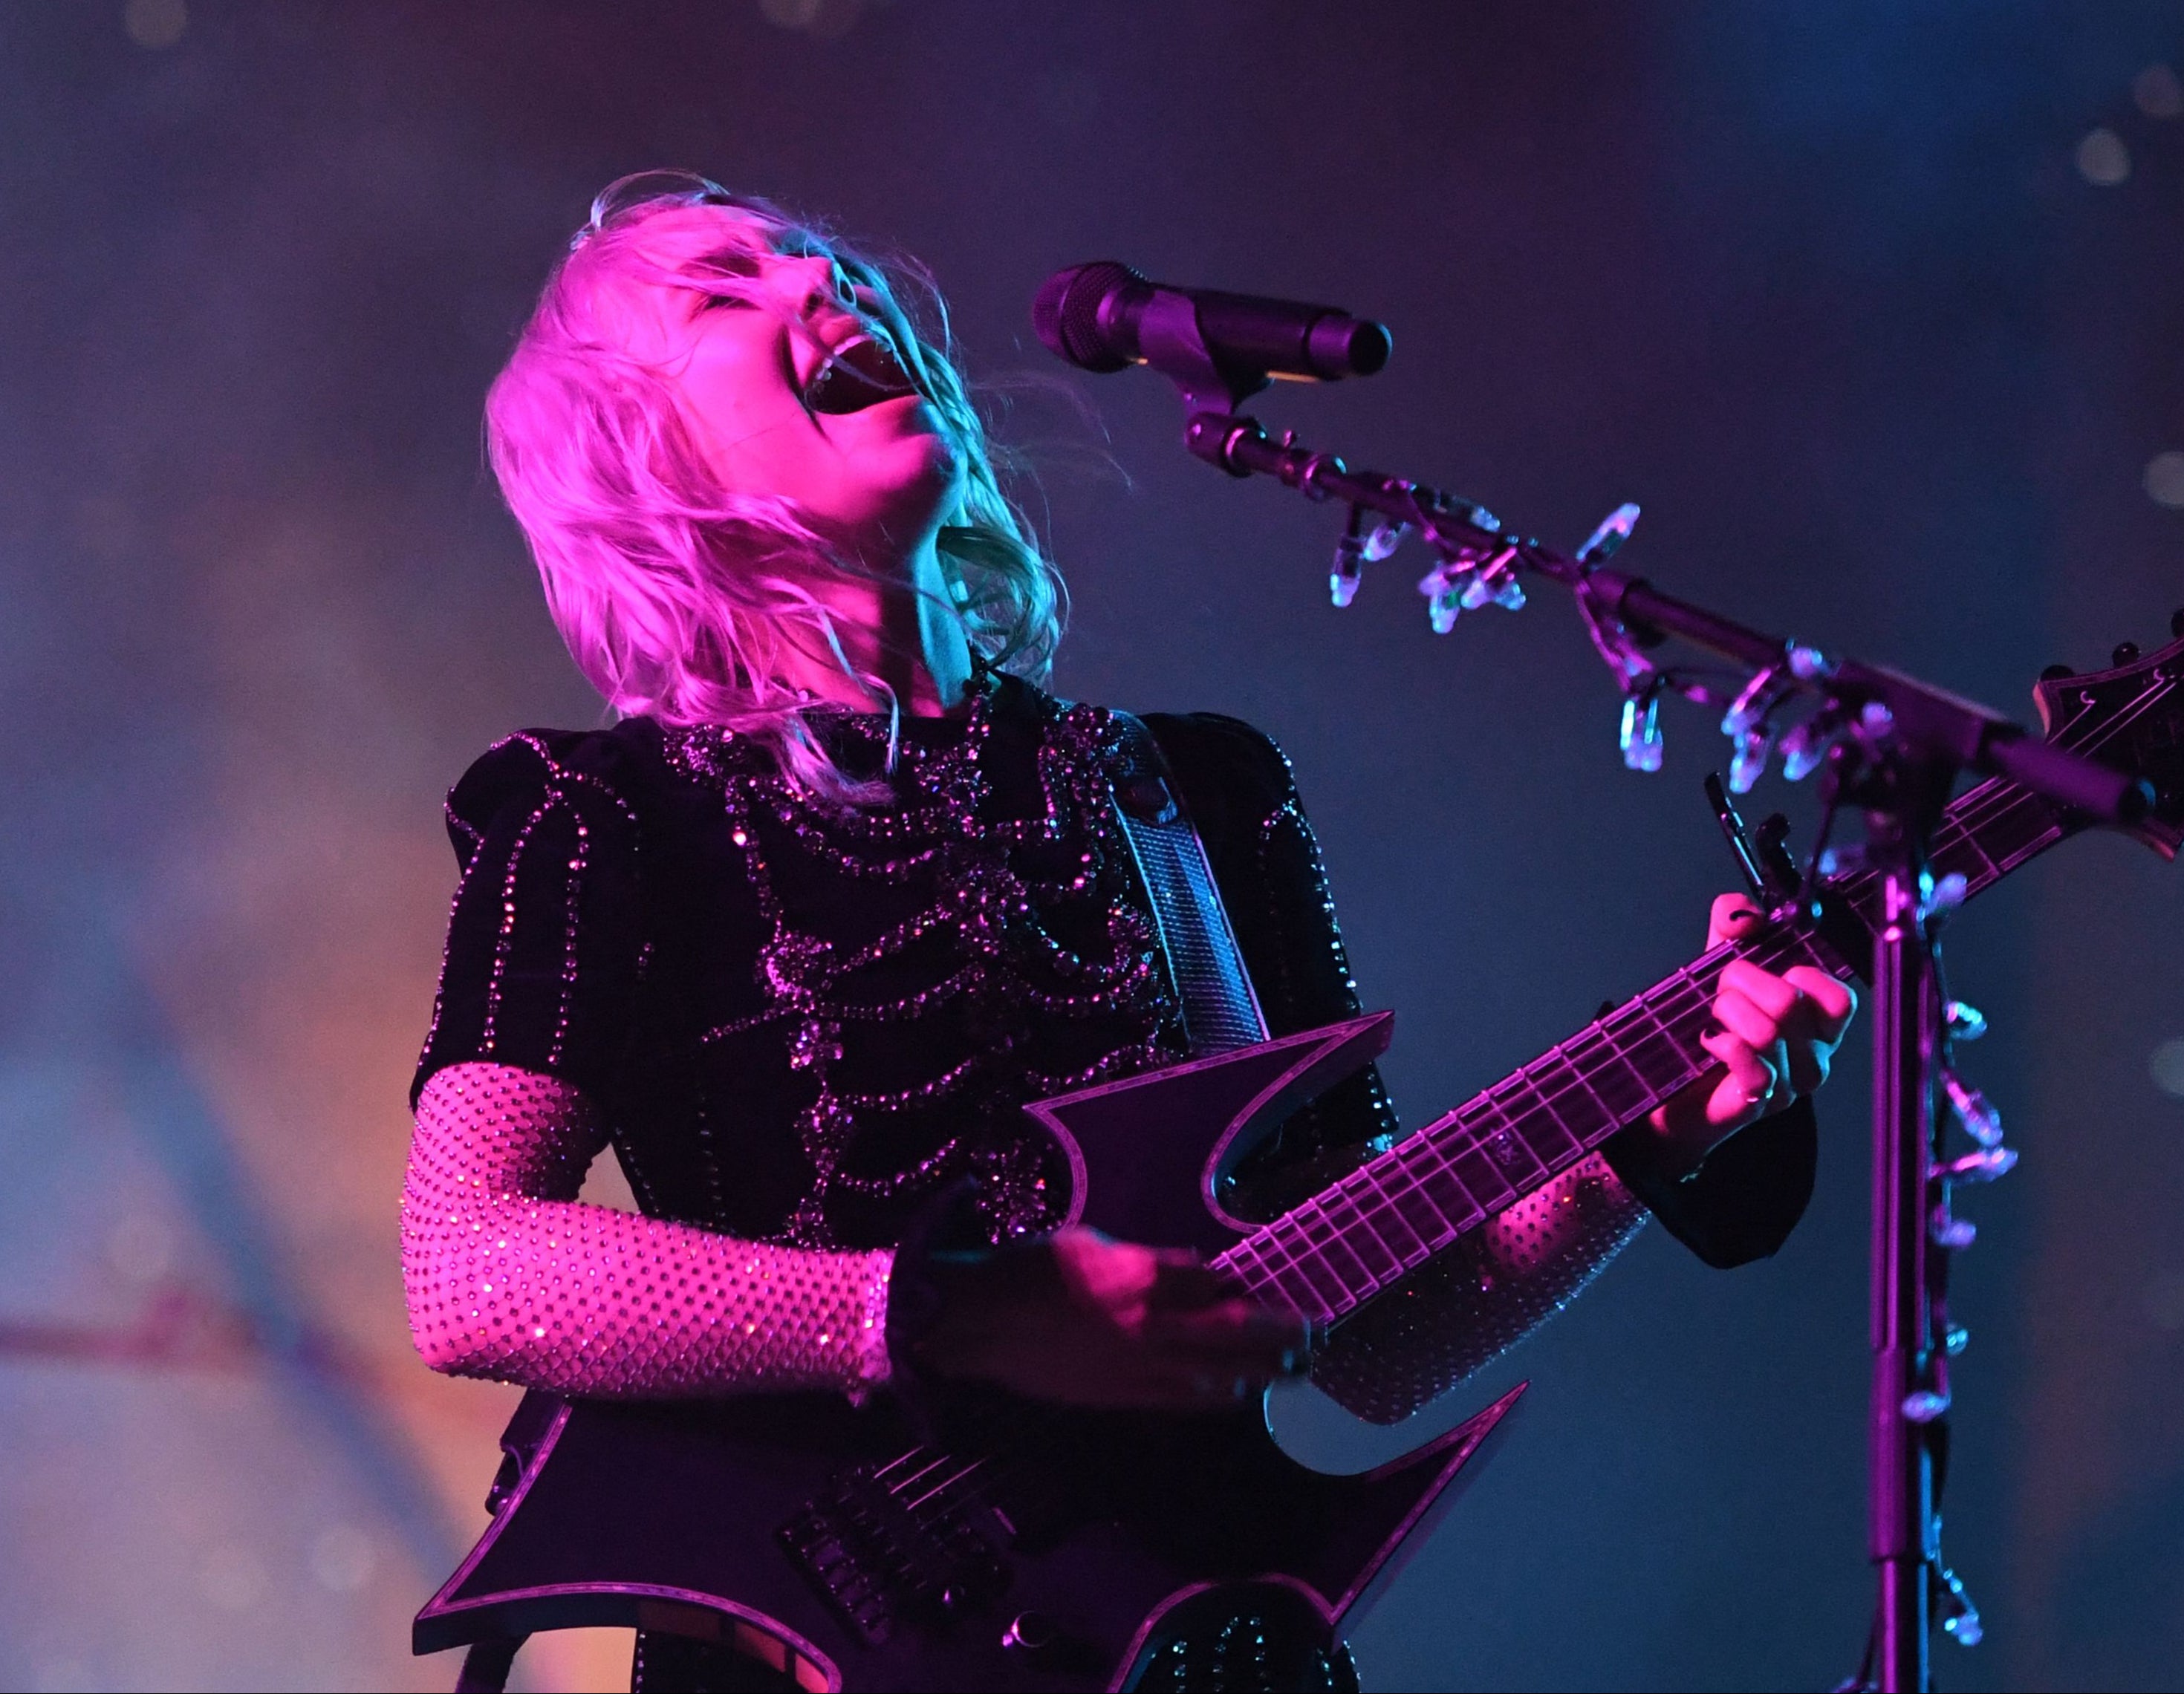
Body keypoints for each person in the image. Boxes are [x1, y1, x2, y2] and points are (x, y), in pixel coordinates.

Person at [401, 172, 1857, 1692]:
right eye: (723, 293)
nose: (822, 291)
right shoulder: (602, 816)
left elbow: (1366, 1336)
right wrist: (959, 1315)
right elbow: (469, 1265)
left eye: (824, 265)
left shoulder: (1192, 792)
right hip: (820, 1646)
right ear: (640, 463)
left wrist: (1649, 1143)